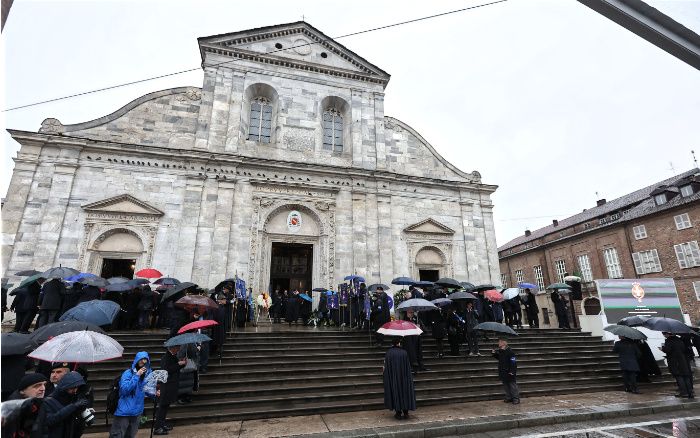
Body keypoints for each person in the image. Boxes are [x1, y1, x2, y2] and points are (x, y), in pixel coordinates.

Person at [110, 352, 152, 438]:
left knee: (130, 436)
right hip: (124, 412)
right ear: (136, 361)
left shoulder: (146, 376)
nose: (143, 363)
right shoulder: (128, 373)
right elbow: (124, 390)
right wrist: (137, 376)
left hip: (137, 413)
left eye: (145, 362)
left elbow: (147, 390)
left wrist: (155, 393)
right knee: (117, 435)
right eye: (141, 361)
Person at [34, 371, 89, 438]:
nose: (74, 391)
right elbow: (50, 420)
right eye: (72, 388)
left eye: (77, 388)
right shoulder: (48, 401)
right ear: (65, 387)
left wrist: (81, 416)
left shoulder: (73, 399)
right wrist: (73, 406)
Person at [2, 373, 47, 438]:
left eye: (44, 384)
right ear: (22, 391)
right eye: (37, 386)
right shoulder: (11, 411)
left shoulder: (37, 402)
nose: (43, 389)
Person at [154, 346, 186, 435]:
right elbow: (166, 371)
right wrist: (178, 364)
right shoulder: (166, 357)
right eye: (177, 347)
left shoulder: (173, 356)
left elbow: (175, 369)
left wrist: (182, 364)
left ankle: (162, 424)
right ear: (172, 348)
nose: (179, 349)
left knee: (165, 406)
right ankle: (157, 427)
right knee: (163, 407)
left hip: (171, 385)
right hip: (166, 386)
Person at [382, 337, 416, 420]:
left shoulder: (389, 353)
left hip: (394, 377)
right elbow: (407, 366)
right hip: (404, 377)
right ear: (399, 343)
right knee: (405, 392)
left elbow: (386, 366)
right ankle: (406, 412)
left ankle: (398, 412)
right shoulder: (404, 352)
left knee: (395, 392)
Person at [661, 332, 694, 399]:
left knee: (679, 377)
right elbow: (683, 349)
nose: (664, 336)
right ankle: (690, 392)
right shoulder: (679, 340)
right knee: (686, 376)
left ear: (667, 334)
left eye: (664, 334)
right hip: (683, 361)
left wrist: (663, 348)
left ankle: (684, 393)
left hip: (675, 361)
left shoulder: (669, 340)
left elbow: (668, 350)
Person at [492, 338, 519, 404]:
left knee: (512, 385)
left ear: (504, 343)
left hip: (509, 371)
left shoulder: (510, 352)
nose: (498, 343)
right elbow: (500, 359)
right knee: (506, 385)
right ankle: (509, 397)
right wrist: (494, 354)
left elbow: (513, 362)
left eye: (500, 342)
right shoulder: (501, 351)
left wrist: (512, 371)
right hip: (503, 371)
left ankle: (516, 398)